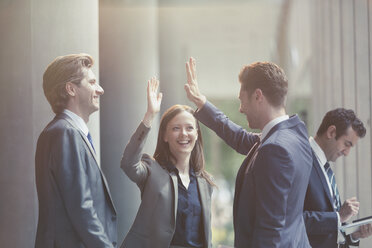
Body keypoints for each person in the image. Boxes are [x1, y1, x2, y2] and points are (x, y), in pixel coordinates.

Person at [184, 57, 313, 247]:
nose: (241, 108)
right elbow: (242, 139)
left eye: (242, 100)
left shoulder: (274, 149)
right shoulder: (295, 134)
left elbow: (270, 230)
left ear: (258, 96)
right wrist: (202, 103)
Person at [35, 54, 117, 248]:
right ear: (71, 89)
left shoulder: (62, 131)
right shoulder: (65, 133)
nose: (101, 90)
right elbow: (81, 207)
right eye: (92, 82)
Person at [120, 78, 214, 248]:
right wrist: (149, 116)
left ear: (197, 134)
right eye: (176, 128)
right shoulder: (152, 171)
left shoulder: (205, 182)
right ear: (165, 136)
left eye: (189, 128)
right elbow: (128, 163)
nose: (184, 134)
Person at [303, 108, 372, 247]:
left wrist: (353, 235)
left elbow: (327, 231)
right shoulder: (302, 160)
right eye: (347, 144)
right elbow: (292, 219)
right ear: (331, 132)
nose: (346, 153)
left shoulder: (325, 168)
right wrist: (338, 217)